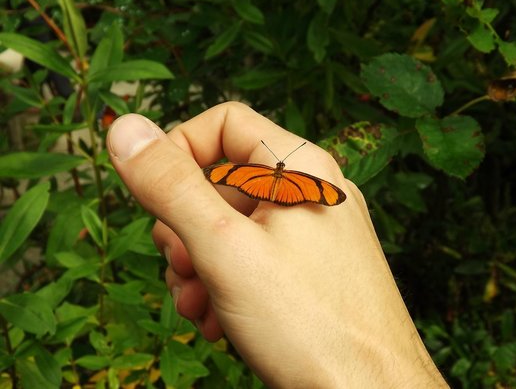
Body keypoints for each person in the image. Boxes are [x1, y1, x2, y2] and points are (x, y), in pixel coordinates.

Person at [107, 102, 449, 388]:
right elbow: (315, 190)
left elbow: (321, 192)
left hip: (267, 186)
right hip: (281, 190)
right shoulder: (296, 180)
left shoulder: (274, 175)